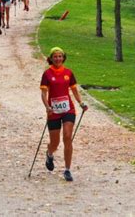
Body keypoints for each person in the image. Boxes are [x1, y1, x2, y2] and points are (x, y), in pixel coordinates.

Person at [40, 47, 88, 182]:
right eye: (55, 56)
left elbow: (74, 90)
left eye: (60, 56)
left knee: (67, 136)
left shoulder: (68, 73)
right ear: (51, 58)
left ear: (63, 57)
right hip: (53, 111)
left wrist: (81, 103)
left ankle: (67, 170)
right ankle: (50, 153)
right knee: (54, 143)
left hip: (68, 110)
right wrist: (47, 106)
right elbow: (43, 94)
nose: (58, 58)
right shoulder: (47, 74)